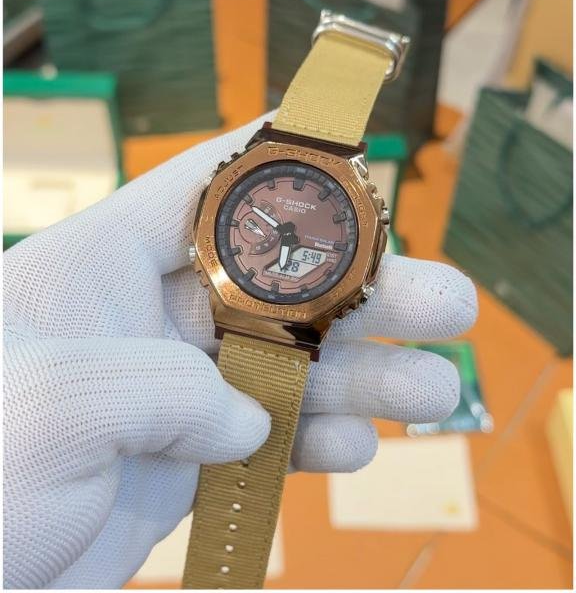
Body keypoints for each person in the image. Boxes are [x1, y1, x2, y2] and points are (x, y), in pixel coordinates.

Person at [4, 113, 477, 588]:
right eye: (278, 226)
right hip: (233, 301)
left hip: (294, 316)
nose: (288, 235)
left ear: (370, 246)